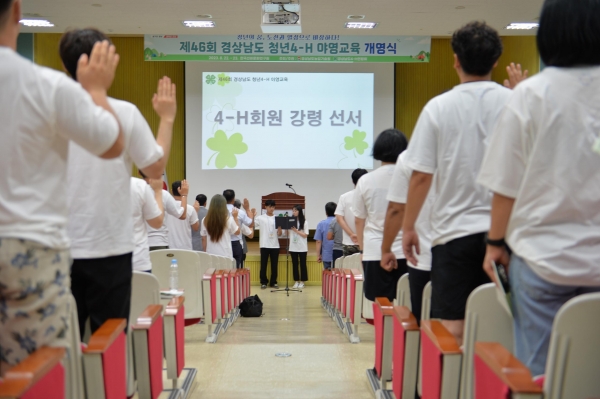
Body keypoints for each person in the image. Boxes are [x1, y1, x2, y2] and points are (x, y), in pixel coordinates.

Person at [0, 0, 124, 373]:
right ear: (17, 10)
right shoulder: (46, 85)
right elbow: (111, 143)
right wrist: (97, 90)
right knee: (37, 372)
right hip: (29, 249)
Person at [478, 0, 600, 376]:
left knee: (539, 372)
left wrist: (495, 244)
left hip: (541, 258)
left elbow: (505, 185)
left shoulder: (530, 95)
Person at [60, 28, 177, 339]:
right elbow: (155, 166)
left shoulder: (46, 107)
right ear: (109, 63)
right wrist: (166, 118)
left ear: (65, 66)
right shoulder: (124, 113)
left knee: (60, 343)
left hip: (57, 247)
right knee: (108, 339)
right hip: (110, 249)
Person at [401, 21, 513, 345]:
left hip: (453, 234)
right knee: (505, 322)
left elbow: (421, 175)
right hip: (505, 233)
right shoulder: (515, 103)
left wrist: (409, 228)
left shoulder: (438, 107)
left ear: (455, 60)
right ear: (496, 61)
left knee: (451, 328)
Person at [353, 129, 408, 303]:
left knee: (380, 302)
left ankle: (384, 331)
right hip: (407, 250)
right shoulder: (412, 177)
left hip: (375, 249)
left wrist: (362, 250)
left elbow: (359, 219)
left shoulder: (366, 180)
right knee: (409, 302)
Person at [382, 151, 434, 323]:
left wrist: (386, 249)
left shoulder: (410, 157)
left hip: (424, 254)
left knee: (426, 322)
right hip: (481, 246)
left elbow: (396, 208)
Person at [131, 177, 164, 273]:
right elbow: (157, 222)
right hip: (137, 260)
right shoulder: (138, 185)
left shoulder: (88, 185)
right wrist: (158, 192)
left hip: (96, 259)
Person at [145, 175, 187, 251]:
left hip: (138, 244)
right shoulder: (163, 194)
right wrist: (184, 195)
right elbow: (182, 215)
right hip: (159, 243)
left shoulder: (133, 192)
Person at [335, 169, 368, 257]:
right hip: (367, 241)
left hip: (349, 242)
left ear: (352, 181)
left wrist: (351, 234)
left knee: (349, 270)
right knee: (367, 269)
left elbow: (339, 218)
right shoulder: (371, 196)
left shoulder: (344, 197)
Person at [223, 189, 254, 268]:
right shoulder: (239, 212)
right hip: (236, 243)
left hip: (222, 242)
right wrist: (247, 209)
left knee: (224, 267)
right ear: (233, 199)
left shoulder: (219, 211)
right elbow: (251, 224)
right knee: (237, 269)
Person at [255, 200, 282, 289]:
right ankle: (263, 282)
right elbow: (253, 225)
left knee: (274, 265)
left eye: (273, 207)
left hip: (275, 245)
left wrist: (280, 230)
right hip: (264, 244)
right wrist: (251, 216)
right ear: (265, 207)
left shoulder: (277, 218)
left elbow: (280, 234)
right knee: (263, 264)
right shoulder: (260, 218)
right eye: (270, 207)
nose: (272, 208)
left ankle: (273, 282)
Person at [166, 180, 199, 250]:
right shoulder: (190, 209)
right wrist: (195, 212)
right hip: (185, 247)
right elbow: (196, 228)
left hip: (169, 246)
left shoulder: (165, 207)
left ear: (171, 191)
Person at [289, 205, 309, 288]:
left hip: (302, 247)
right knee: (295, 264)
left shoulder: (304, 222)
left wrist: (296, 231)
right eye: (293, 211)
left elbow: (305, 235)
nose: (294, 212)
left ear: (300, 211)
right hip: (293, 247)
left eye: (295, 211)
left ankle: (302, 282)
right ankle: (296, 281)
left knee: (303, 264)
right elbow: (287, 234)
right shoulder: (290, 221)